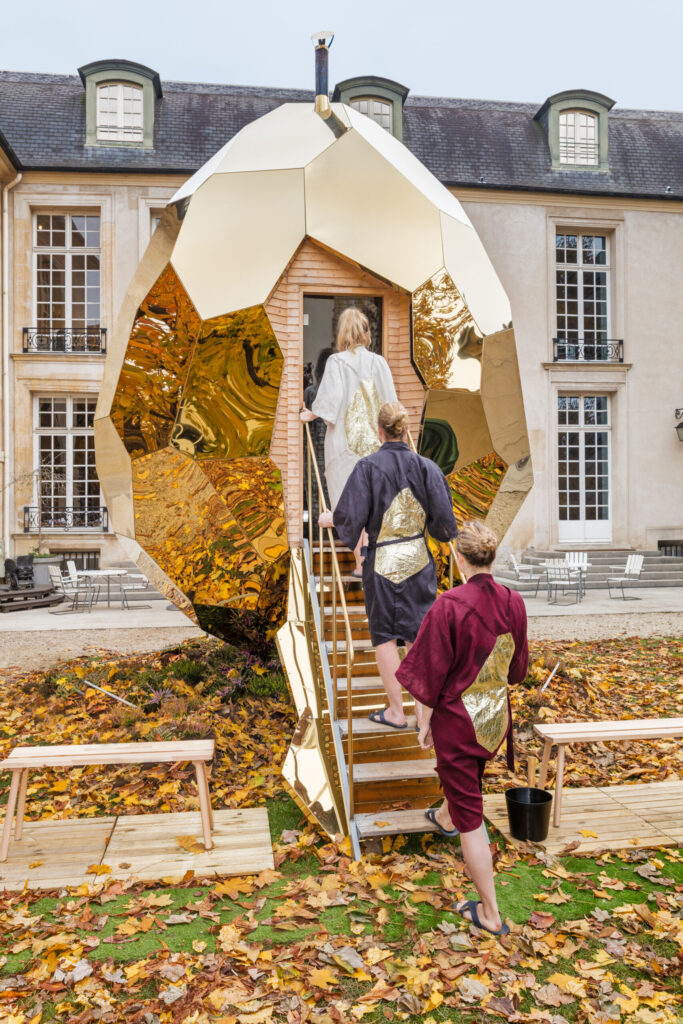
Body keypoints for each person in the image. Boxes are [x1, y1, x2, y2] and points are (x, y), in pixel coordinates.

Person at [396, 520, 528, 937]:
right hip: (493, 721)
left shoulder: (448, 605)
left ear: (458, 557)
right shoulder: (514, 602)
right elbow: (517, 672)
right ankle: (444, 815)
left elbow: (427, 674)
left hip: (458, 723)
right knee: (465, 784)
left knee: (472, 817)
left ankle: (489, 913)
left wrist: (423, 721)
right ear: (491, 556)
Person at [319, 402, 458, 729]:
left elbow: (350, 518)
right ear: (406, 430)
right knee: (417, 639)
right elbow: (445, 526)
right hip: (419, 561)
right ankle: (423, 718)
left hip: (381, 563)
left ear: (379, 431)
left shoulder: (367, 467)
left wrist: (332, 519)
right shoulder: (427, 468)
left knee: (384, 638)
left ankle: (396, 712)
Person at [300, 307, 397, 577]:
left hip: (344, 443)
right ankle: (371, 558)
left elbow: (329, 401)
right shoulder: (379, 362)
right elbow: (391, 403)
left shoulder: (337, 362)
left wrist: (311, 414)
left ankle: (360, 562)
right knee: (372, 501)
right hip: (375, 442)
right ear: (366, 333)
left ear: (341, 333)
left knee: (348, 500)